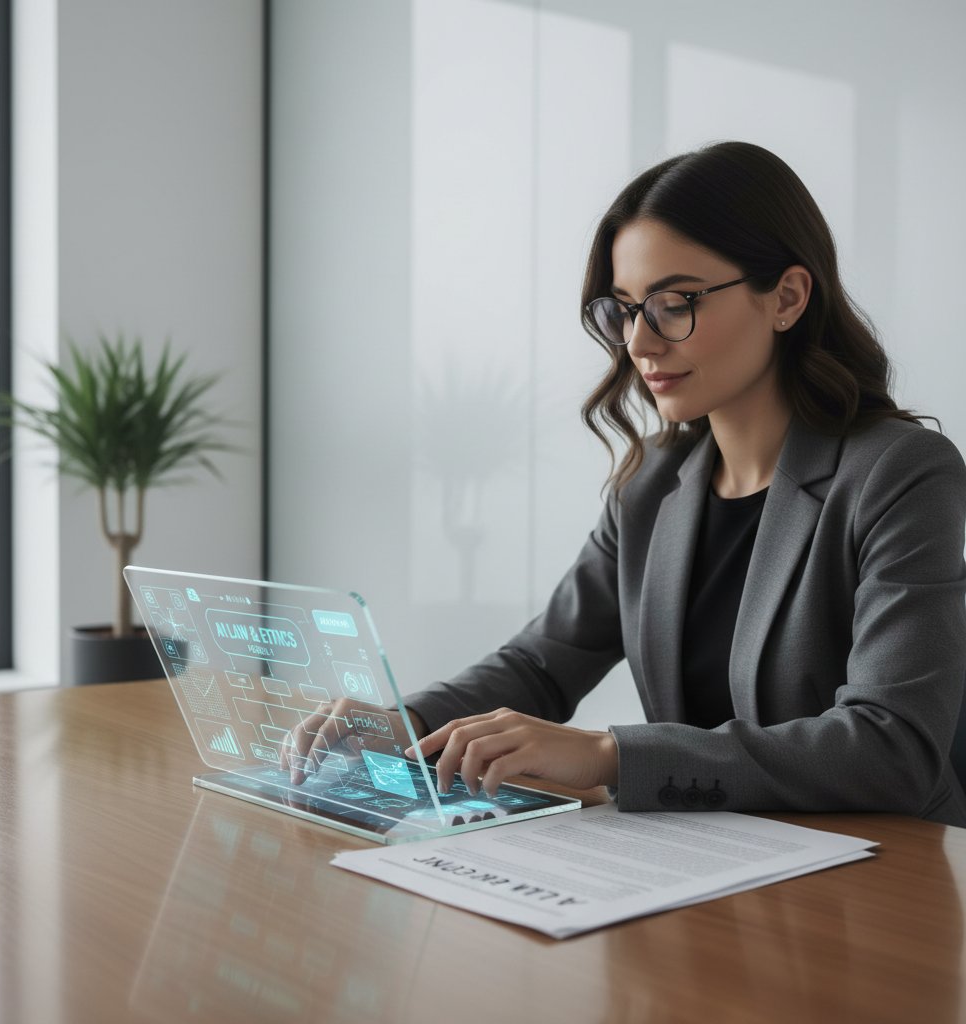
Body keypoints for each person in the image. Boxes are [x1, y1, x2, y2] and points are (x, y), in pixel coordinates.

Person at [398, 141, 966, 828]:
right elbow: (542, 664)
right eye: (625, 308)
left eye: (675, 303)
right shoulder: (652, 485)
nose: (639, 343)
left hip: (880, 879)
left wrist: (612, 755)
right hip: (709, 865)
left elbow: (891, 746)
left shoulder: (899, 472)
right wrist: (403, 721)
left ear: (785, 297)